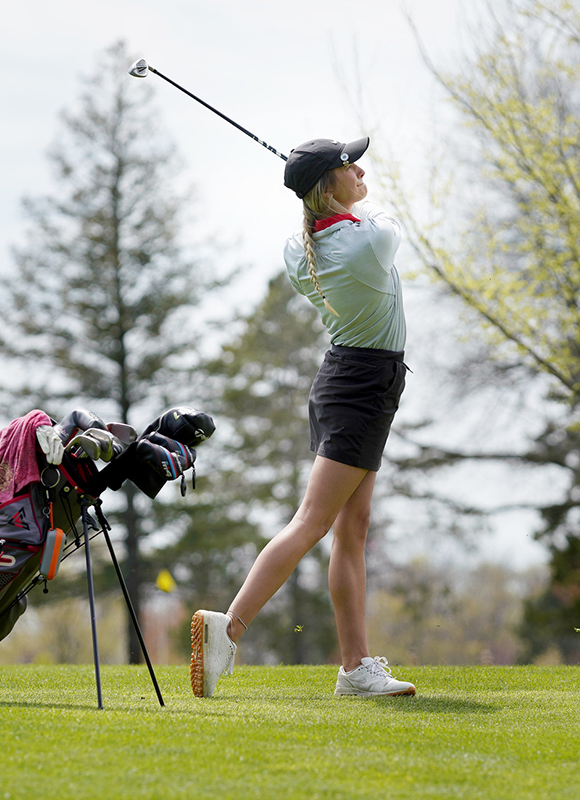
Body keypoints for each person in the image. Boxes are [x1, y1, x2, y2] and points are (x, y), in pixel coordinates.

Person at [190, 136, 415, 698]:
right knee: (314, 522)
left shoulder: (302, 247)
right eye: (348, 166)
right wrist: (342, 200)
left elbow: (334, 219)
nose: (361, 170)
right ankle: (229, 628)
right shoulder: (369, 243)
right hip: (362, 387)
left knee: (351, 530)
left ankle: (355, 669)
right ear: (327, 186)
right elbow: (383, 220)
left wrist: (328, 191)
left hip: (350, 382)